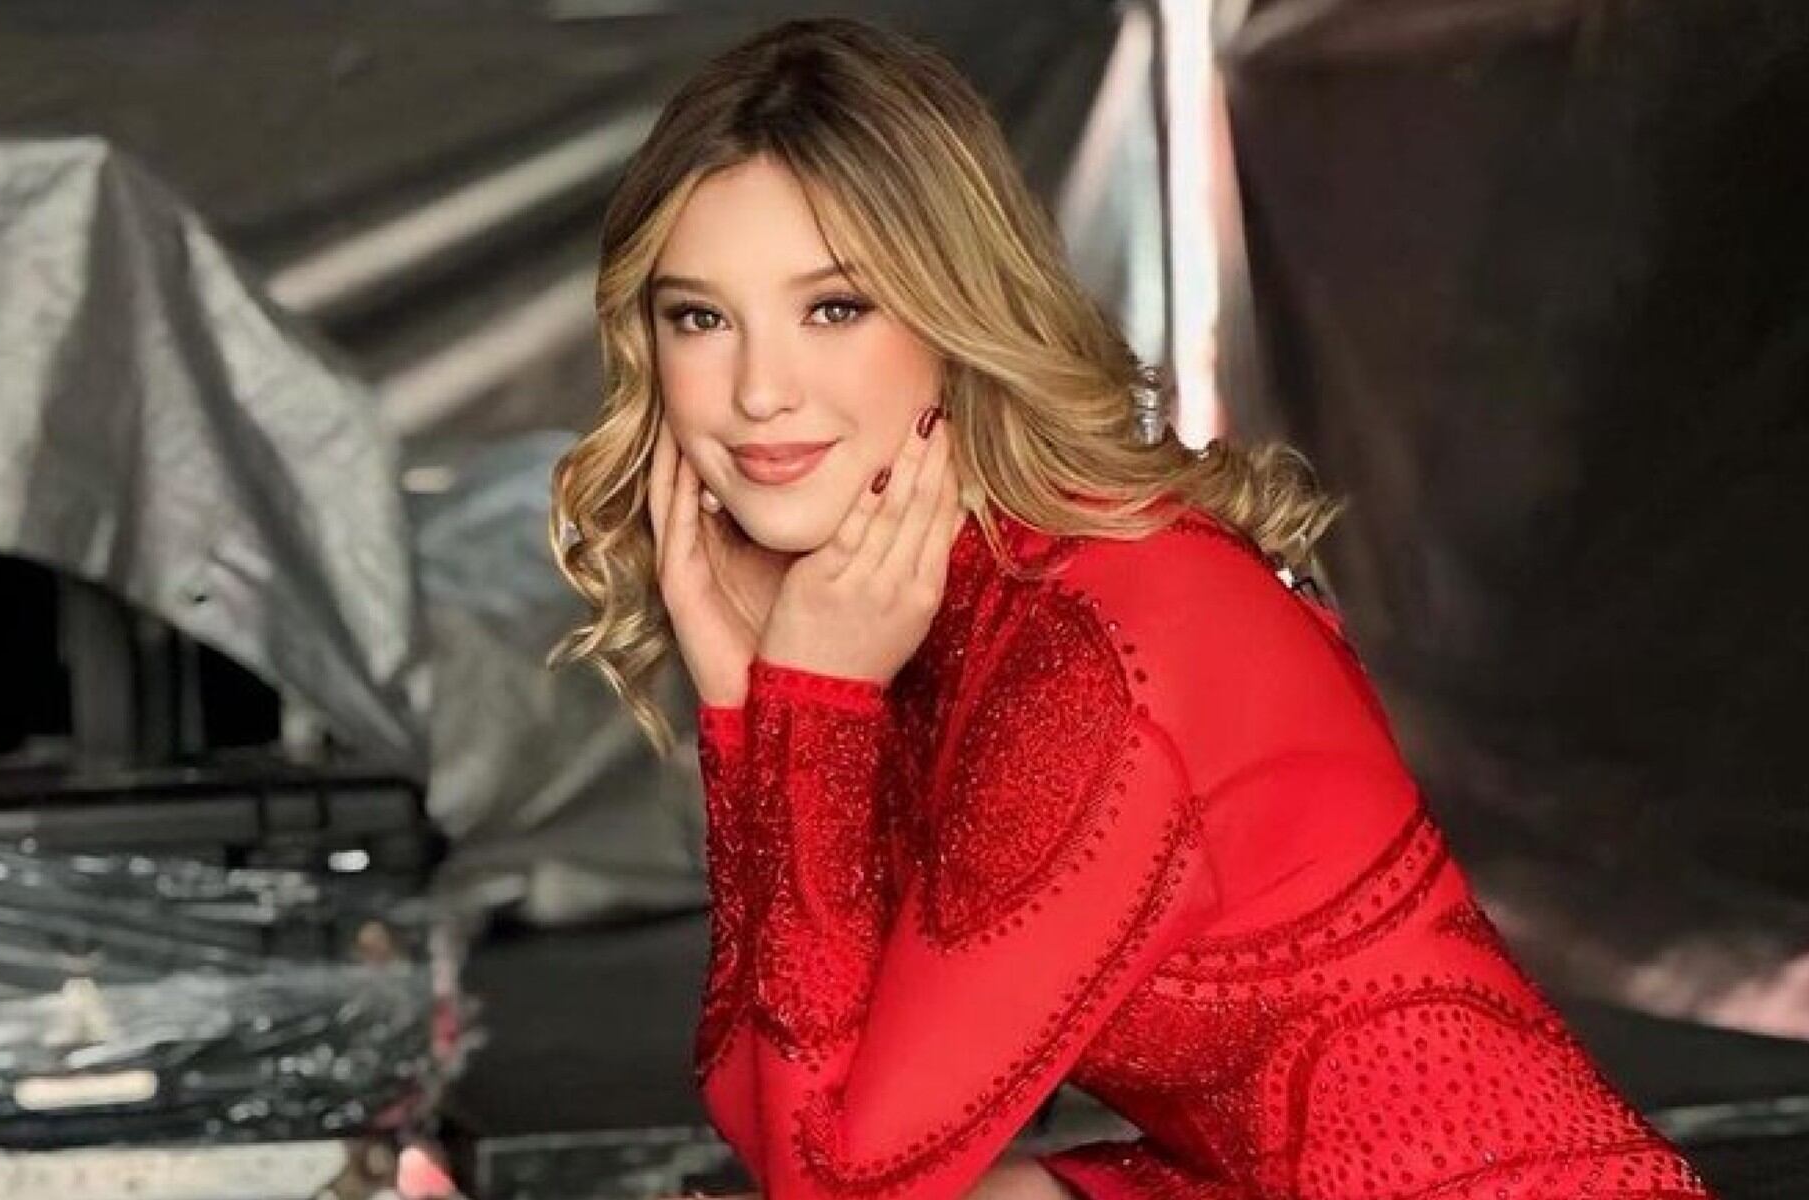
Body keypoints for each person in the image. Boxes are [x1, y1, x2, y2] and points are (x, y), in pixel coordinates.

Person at [547, 16, 1718, 1200]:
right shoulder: (928, 604)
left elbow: (837, 1180)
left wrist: (805, 706)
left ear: (954, 312)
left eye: (835, 307)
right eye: (699, 317)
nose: (757, 392)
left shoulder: (1096, 643)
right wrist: (750, 705)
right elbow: (766, 1105)